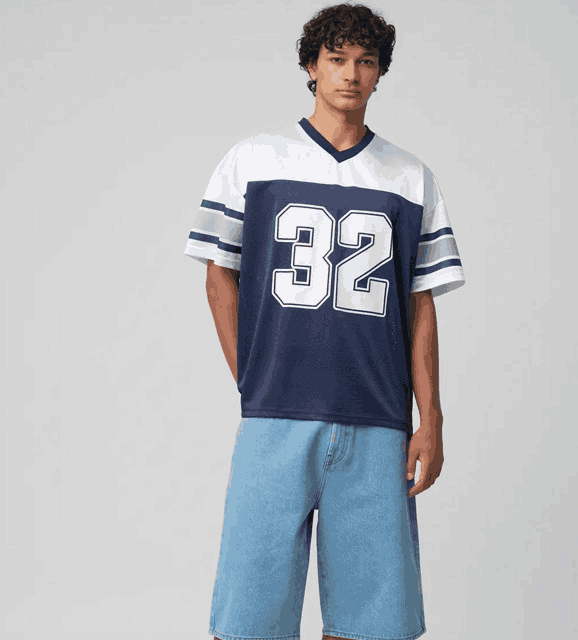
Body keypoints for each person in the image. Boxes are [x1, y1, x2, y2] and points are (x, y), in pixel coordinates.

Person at [184, 3, 465, 640]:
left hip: (377, 421)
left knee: (371, 625)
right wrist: (252, 377)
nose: (350, 74)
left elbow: (420, 304)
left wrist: (432, 419)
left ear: (380, 73)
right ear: (311, 67)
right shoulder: (255, 160)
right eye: (336, 59)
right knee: (249, 619)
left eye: (366, 62)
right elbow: (218, 275)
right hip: (274, 418)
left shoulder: (410, 178)